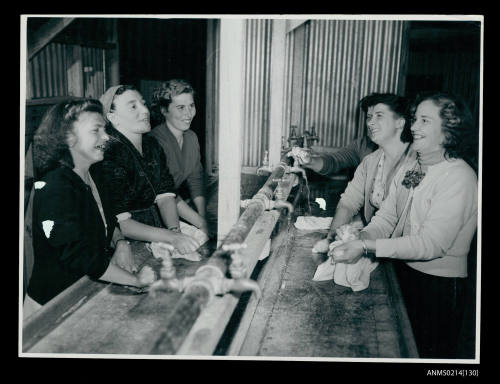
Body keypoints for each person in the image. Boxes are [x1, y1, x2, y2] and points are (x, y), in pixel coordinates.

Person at [331, 92, 478, 358]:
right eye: (414, 119)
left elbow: (431, 245)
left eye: (424, 121)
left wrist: (365, 246)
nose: (413, 127)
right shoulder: (413, 166)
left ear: (449, 128)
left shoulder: (459, 177)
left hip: (439, 287)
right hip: (404, 274)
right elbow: (388, 218)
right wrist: (359, 238)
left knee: (428, 354)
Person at [25, 99, 155, 318]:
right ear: (68, 137)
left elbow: (109, 220)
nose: (106, 137)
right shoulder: (55, 187)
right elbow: (78, 254)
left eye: (105, 129)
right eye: (96, 130)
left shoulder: (95, 175)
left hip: (81, 292)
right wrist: (136, 280)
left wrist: (120, 242)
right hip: (50, 307)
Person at [90, 85, 200, 256]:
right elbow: (121, 223)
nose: (145, 110)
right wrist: (171, 237)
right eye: (133, 106)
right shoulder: (108, 154)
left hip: (158, 232)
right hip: (125, 245)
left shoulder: (152, 145)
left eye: (143, 103)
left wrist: (174, 231)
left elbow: (165, 194)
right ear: (112, 117)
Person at [312, 93, 414, 253]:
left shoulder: (416, 162)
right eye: (369, 117)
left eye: (379, 116)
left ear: (400, 122)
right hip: (376, 247)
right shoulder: (370, 161)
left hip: (408, 253)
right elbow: (348, 203)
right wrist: (331, 240)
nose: (370, 122)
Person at [149, 79, 217, 238]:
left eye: (191, 106)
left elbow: (195, 179)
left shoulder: (191, 137)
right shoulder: (155, 141)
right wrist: (200, 223)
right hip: (156, 215)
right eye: (180, 108)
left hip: (176, 206)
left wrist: (202, 217)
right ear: (164, 110)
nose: (188, 113)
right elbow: (165, 192)